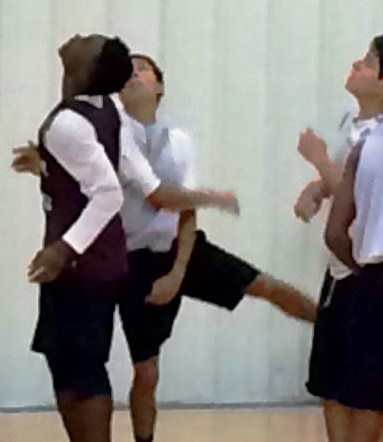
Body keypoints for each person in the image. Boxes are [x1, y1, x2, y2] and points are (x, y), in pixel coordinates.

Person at [11, 34, 239, 442]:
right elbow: (147, 186)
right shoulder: (110, 113)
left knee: (78, 374)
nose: (80, 37)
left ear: (87, 68)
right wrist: (48, 164)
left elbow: (109, 192)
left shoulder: (70, 123)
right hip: (105, 263)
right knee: (78, 367)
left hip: (81, 266)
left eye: (89, 42)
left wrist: (64, 248)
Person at [117, 53, 317, 442]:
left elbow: (186, 208)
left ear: (158, 87)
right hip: (134, 262)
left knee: (266, 286)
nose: (134, 74)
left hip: (180, 248)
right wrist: (214, 197)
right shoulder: (113, 138)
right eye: (126, 70)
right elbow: (159, 196)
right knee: (146, 371)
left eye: (142, 68)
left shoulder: (177, 142)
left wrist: (178, 272)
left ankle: (335, 328)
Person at [298, 37, 383, 442]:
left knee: (364, 391)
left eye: (367, 62)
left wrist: (318, 161)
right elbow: (342, 187)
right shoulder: (349, 122)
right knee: (332, 380)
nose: (356, 64)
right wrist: (317, 188)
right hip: (345, 267)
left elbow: (354, 199)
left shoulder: (373, 141)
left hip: (361, 270)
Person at [326, 118, 383, 442]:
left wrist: (364, 272)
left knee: (367, 399)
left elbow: (335, 233)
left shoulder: (364, 145)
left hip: (374, 276)